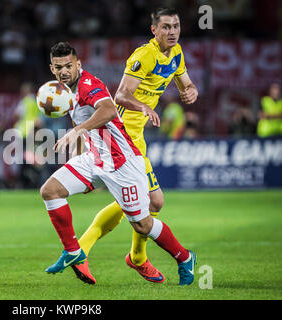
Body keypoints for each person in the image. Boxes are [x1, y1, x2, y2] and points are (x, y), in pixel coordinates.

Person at [40, 41, 196, 286]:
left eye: (69, 65)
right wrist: (80, 139)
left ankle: (185, 258)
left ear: (78, 64)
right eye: (59, 67)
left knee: (143, 225)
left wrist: (78, 130)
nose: (64, 71)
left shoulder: (88, 84)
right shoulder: (62, 91)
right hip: (95, 158)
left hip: (122, 162)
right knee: (50, 191)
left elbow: (110, 110)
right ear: (52, 69)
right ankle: (73, 251)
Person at [74, 8, 199, 285]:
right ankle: (94, 250)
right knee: (151, 201)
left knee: (149, 201)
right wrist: (143, 106)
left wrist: (190, 91)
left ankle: (127, 255)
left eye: (176, 26)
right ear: (154, 30)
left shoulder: (176, 53)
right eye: (165, 27)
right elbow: (121, 94)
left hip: (134, 136)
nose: (172, 31)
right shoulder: (144, 55)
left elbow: (185, 83)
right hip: (122, 137)